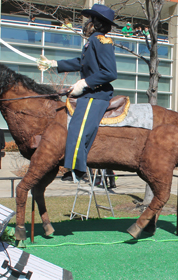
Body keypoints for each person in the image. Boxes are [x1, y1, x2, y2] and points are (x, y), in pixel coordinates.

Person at [37, 4, 118, 182]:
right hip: (89, 93)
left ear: (97, 23)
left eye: (91, 19)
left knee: (78, 128)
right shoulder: (92, 42)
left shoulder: (100, 40)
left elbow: (110, 72)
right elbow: (81, 63)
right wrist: (54, 64)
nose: (87, 23)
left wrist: (85, 82)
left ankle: (77, 169)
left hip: (96, 95)